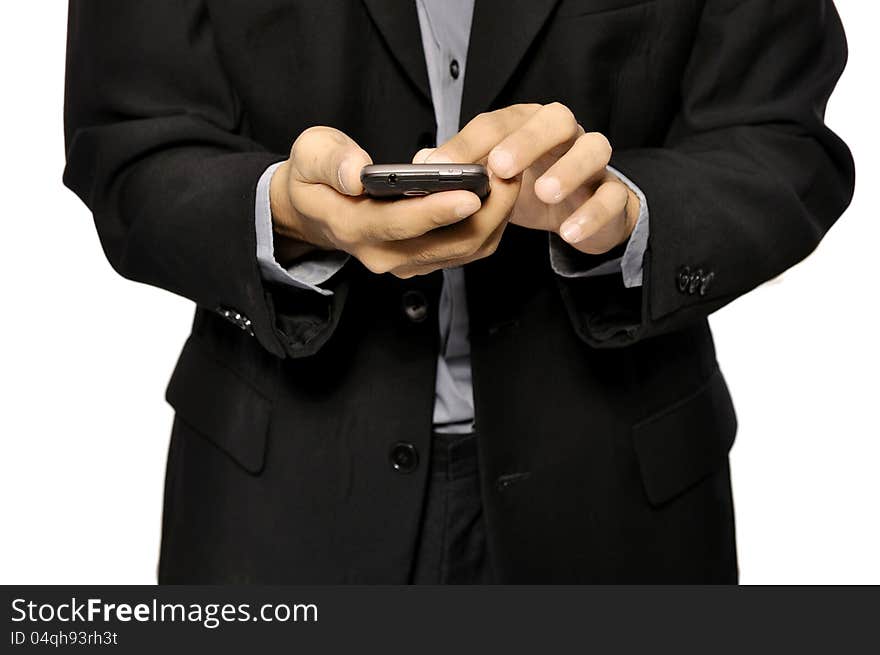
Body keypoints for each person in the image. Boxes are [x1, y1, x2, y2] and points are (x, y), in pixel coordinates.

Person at [63, 0, 854, 583]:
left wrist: (629, 212)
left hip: (620, 507)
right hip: (277, 506)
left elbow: (784, 138)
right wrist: (286, 213)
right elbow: (125, 145)